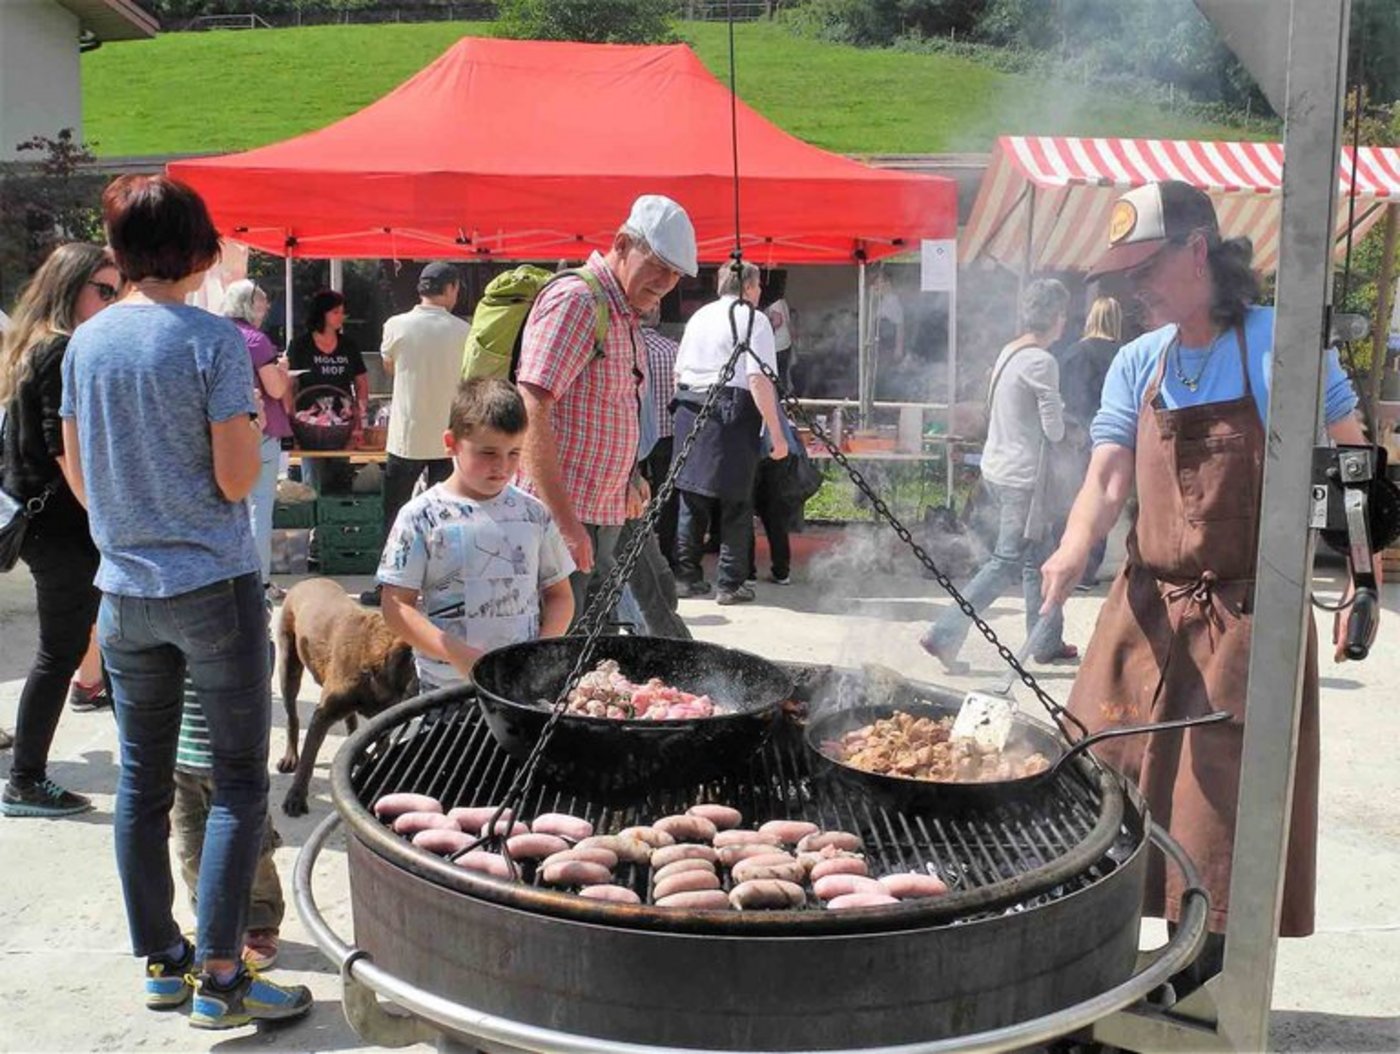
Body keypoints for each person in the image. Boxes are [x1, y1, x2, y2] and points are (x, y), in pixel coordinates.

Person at [1038, 180, 1374, 993]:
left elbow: (1350, 456)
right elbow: (1109, 473)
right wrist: (1072, 546)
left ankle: (1201, 974)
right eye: (1124, 274)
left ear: (1198, 250)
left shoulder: (1278, 346)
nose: (1134, 288)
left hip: (1245, 611)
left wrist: (1361, 575)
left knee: (1217, 808)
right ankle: (1104, 960)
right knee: (1101, 772)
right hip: (1146, 605)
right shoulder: (1136, 359)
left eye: (1146, 268)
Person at [60, 174, 311, 1029]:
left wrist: (135, 519)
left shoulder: (87, 344)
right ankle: (221, 976)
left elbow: (78, 472)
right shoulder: (212, 341)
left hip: (124, 589)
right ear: (199, 247)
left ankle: (163, 965)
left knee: (142, 782)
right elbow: (238, 477)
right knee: (238, 784)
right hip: (209, 584)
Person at [515, 194, 697, 626]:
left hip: (602, 514)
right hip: (567, 519)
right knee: (553, 653)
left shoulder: (624, 313)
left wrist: (629, 478)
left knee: (593, 644)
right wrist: (564, 522)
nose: (666, 282)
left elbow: (612, 408)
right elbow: (532, 408)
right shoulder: (578, 301)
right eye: (657, 265)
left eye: (676, 274)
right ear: (621, 244)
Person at [0, 243, 122, 815]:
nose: (113, 300)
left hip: (52, 525)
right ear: (71, 288)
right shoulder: (58, 349)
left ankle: (149, 757)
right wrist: (104, 521)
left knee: (102, 639)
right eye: (104, 289)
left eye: (116, 290)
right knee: (62, 651)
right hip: (60, 528)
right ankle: (25, 779)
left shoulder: (35, 345)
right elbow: (61, 450)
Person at [920, 278, 1076, 672]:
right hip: (1023, 478)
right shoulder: (1043, 361)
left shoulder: (1010, 352)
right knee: (1006, 562)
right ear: (1056, 317)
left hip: (997, 468)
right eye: (1064, 315)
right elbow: (1054, 430)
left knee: (1035, 558)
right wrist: (1064, 413)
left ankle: (1046, 641)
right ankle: (944, 634)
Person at [378, 379, 575, 690]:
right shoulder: (420, 516)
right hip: (444, 691)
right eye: (488, 452)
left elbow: (560, 596)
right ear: (451, 442)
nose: (502, 466)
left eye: (514, 453)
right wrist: (455, 653)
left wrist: (540, 652)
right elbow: (396, 606)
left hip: (518, 688)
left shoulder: (533, 514)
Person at [672, 261, 789, 605]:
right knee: (737, 501)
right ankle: (730, 582)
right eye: (757, 287)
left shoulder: (699, 317)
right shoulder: (755, 318)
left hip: (690, 405)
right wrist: (778, 436)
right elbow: (758, 378)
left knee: (691, 497)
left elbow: (679, 370)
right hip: (731, 409)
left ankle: (686, 577)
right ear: (750, 287)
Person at [360, 261, 470, 608]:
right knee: (447, 517)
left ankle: (388, 587)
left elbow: (390, 367)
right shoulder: (463, 331)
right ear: (451, 288)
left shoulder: (396, 325)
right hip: (448, 438)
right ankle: (443, 589)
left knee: (394, 515)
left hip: (405, 436)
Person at [172, 679, 285, 972]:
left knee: (252, 852)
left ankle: (259, 920)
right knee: (190, 850)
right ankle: (212, 922)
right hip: (177, 760)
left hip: (235, 759)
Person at [220, 280, 292, 594]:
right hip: (259, 432)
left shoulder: (215, 334)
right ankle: (258, 579)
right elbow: (274, 389)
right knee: (259, 508)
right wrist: (284, 371)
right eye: (261, 306)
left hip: (221, 432)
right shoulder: (256, 340)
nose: (265, 312)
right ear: (249, 306)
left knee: (227, 508)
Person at [1057, 296, 1123, 589]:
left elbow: (1068, 399)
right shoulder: (1125, 354)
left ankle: (1071, 564)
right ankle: (1090, 567)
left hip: (1078, 437)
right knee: (1105, 499)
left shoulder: (1075, 353)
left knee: (1075, 500)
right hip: (1115, 439)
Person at [288, 288, 366, 494]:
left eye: (342, 312)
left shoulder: (348, 345)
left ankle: (339, 519)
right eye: (336, 312)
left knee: (341, 475)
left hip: (342, 422)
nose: (342, 317)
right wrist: (290, 418)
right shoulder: (300, 345)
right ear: (322, 313)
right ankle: (313, 521)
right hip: (308, 423)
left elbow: (361, 382)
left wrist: (360, 416)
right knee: (312, 479)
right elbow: (290, 384)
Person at [638, 306, 680, 567]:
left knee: (632, 495)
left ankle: (636, 553)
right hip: (667, 432)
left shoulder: (626, 346)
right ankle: (666, 553)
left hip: (634, 436)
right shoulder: (673, 349)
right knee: (668, 496)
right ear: (657, 316)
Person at [764, 271, 795, 390]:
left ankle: (779, 396)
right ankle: (784, 395)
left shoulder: (774, 303)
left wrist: (765, 326)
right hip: (785, 343)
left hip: (778, 344)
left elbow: (778, 321)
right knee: (783, 373)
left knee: (777, 374)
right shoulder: (782, 301)